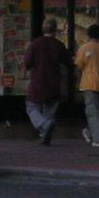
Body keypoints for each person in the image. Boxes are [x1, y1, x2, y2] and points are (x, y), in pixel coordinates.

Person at [22, 17, 73, 145]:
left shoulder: (35, 44)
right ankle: (45, 136)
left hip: (38, 81)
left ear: (43, 28)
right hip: (54, 82)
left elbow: (27, 62)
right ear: (55, 29)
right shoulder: (59, 45)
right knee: (50, 110)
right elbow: (68, 62)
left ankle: (43, 125)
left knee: (31, 107)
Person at [73, 22, 99, 148]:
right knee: (98, 111)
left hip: (89, 83)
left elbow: (78, 66)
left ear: (88, 35)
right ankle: (90, 132)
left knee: (93, 111)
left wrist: (78, 81)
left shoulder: (84, 48)